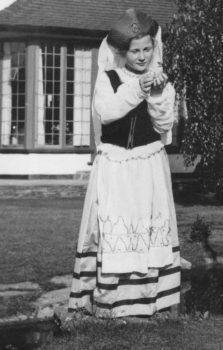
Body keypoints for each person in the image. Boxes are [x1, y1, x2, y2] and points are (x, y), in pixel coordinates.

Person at [68, 8, 180, 318]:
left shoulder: (161, 81)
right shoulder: (109, 79)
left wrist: (157, 92)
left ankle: (153, 301)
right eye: (135, 50)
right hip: (116, 166)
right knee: (115, 228)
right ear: (122, 51)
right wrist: (139, 87)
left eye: (147, 49)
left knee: (147, 228)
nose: (142, 56)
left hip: (148, 165)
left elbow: (164, 124)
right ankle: (110, 303)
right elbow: (108, 112)